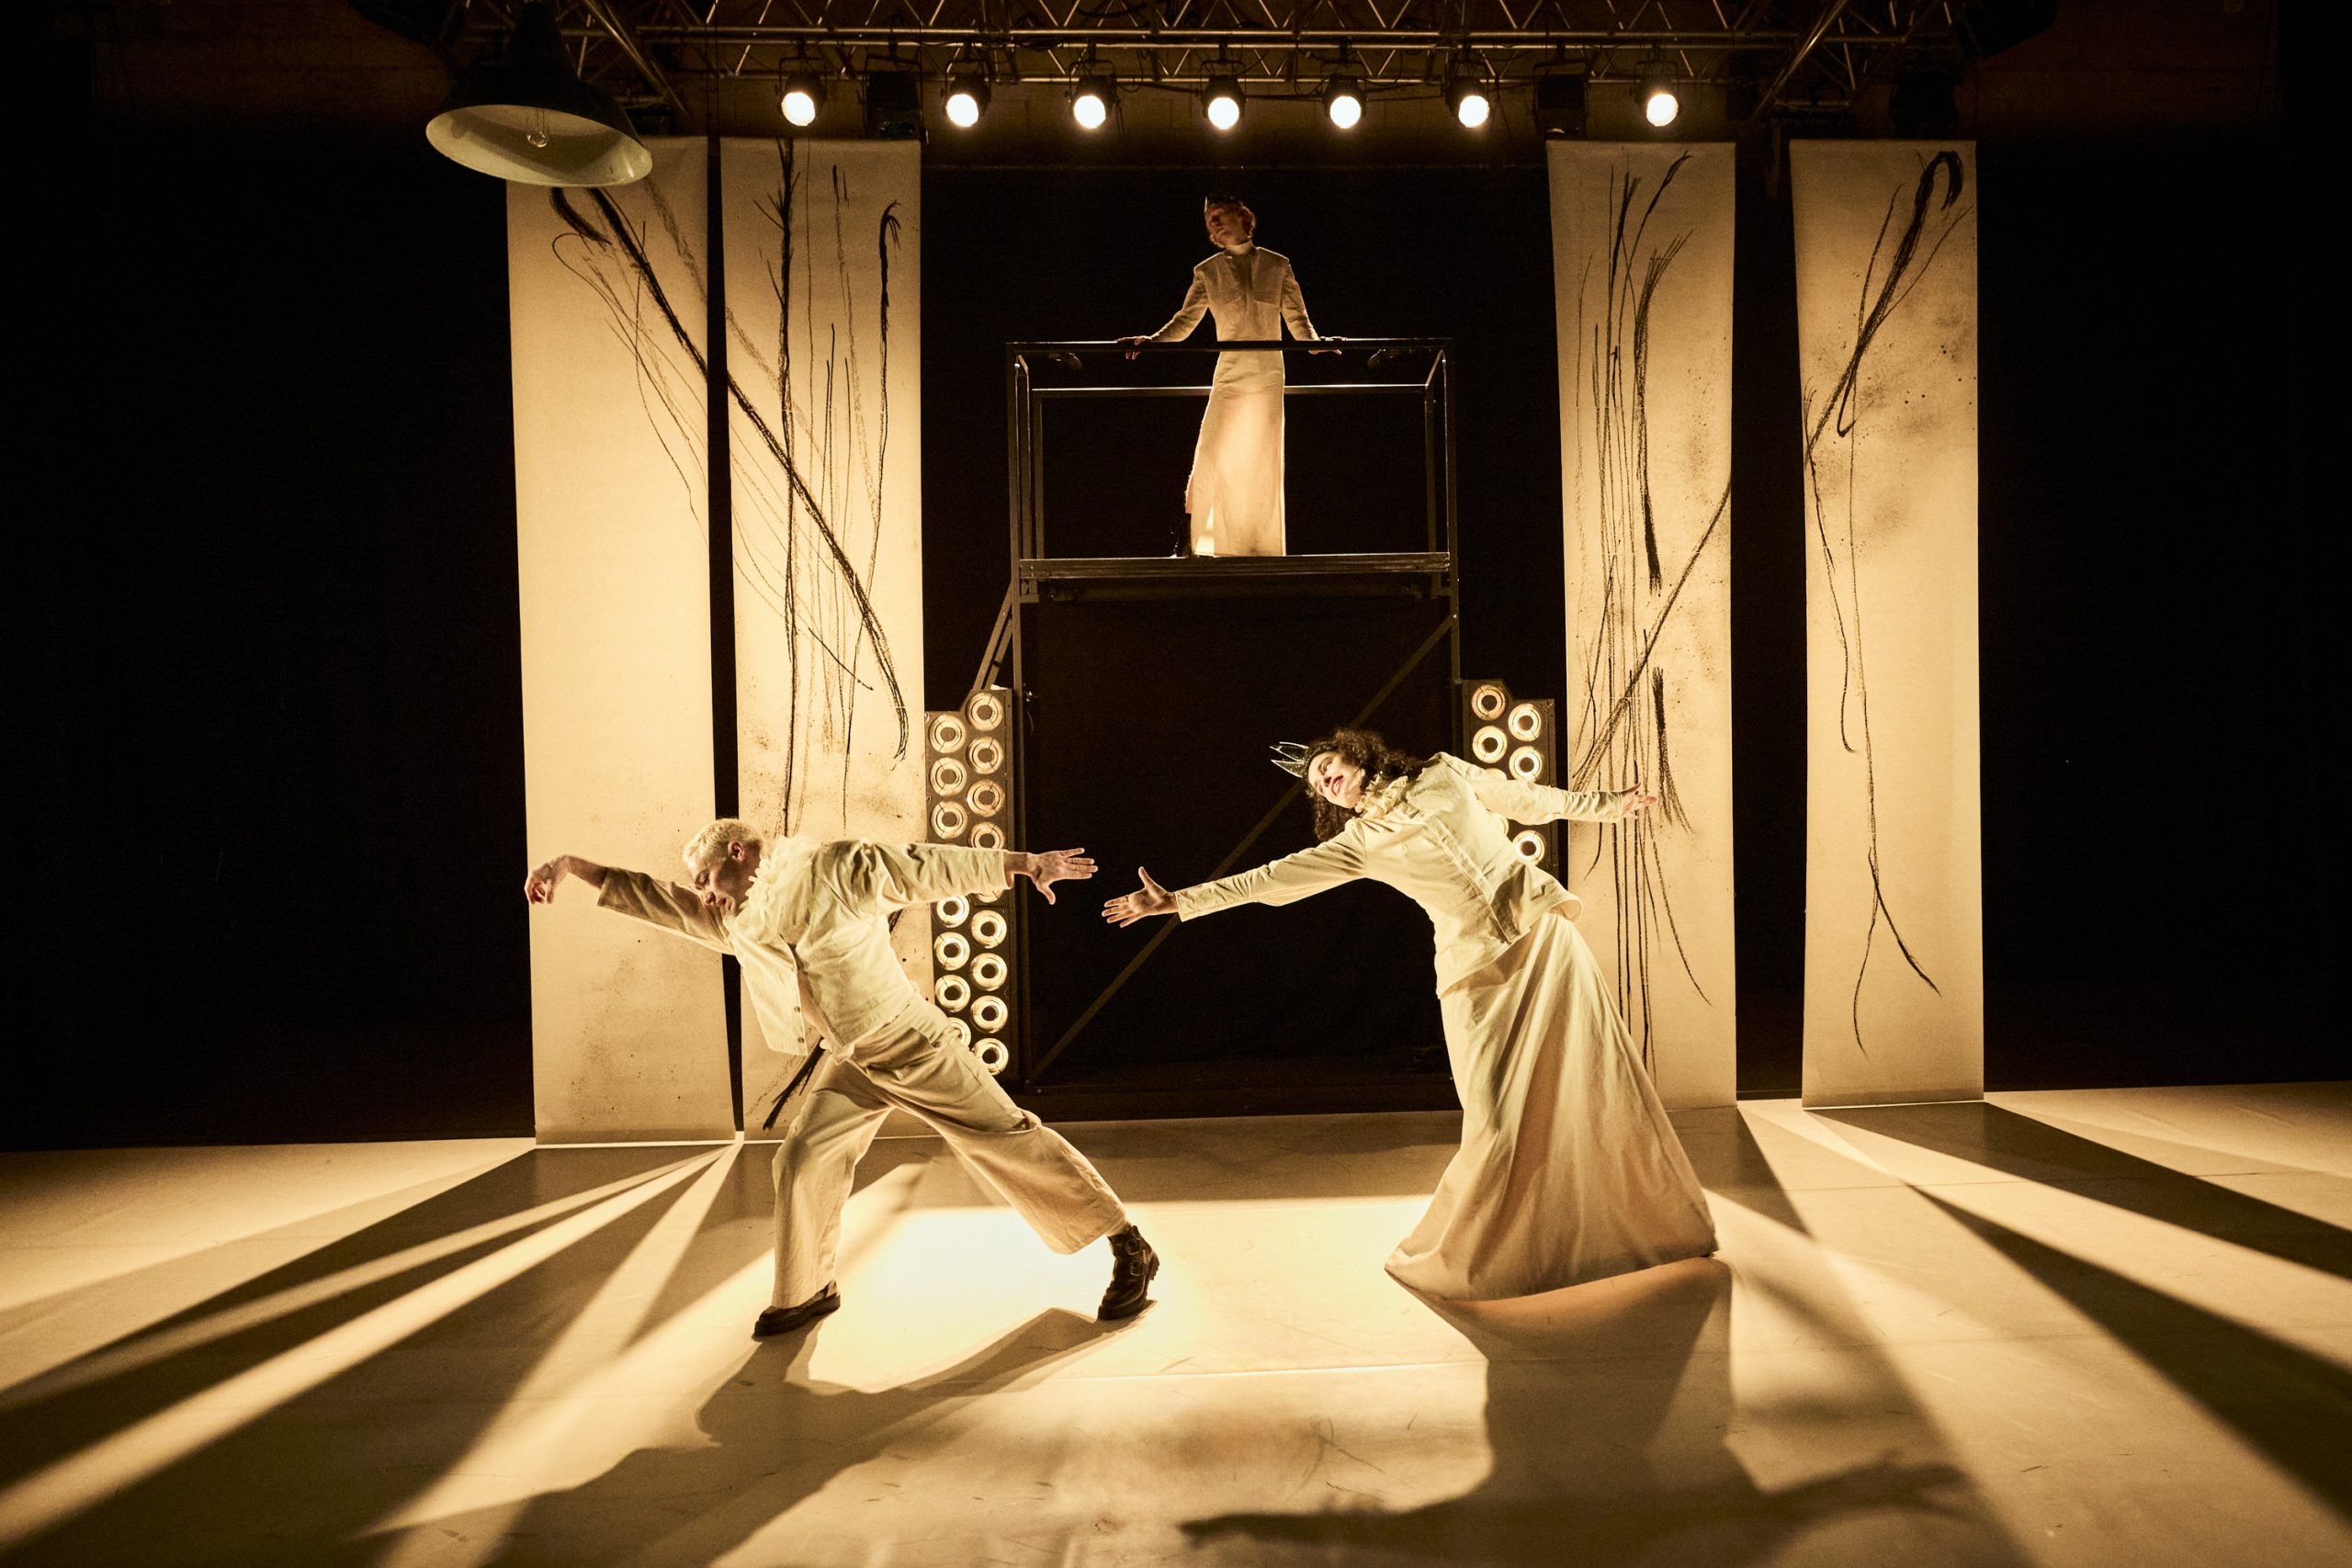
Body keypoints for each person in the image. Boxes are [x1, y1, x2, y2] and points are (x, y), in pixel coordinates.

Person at [1102, 730, 1715, 1301]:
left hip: (1539, 939)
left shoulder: (1445, 774)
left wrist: (1611, 804)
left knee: (1595, 1081)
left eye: (1326, 766)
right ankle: (1484, 1253)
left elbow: (1529, 797)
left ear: (1355, 753)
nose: (1324, 781)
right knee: (1495, 1120)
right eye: (1316, 783)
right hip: (1475, 970)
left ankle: (1655, 1223)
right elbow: (1272, 879)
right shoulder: (1360, 845)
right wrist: (1181, 901)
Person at [527, 822, 1159, 1335]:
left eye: (707, 876)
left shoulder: (831, 868)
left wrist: (1021, 863)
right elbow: (658, 900)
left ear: (740, 852)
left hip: (913, 1042)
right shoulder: (737, 920)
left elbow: (920, 865)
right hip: (853, 1060)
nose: (704, 892)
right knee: (802, 1156)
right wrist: (573, 865)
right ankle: (807, 1289)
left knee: (1007, 1139)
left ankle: (1128, 1243)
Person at [1119, 196, 1336, 558]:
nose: (1214, 225)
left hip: (1267, 374)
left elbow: (1298, 321)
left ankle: (1257, 546)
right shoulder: (1207, 271)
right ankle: (1194, 537)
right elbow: (1186, 320)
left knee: (1260, 457)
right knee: (1211, 450)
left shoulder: (1277, 265)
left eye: (1219, 217)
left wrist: (1317, 344)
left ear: (1243, 217)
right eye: (1209, 222)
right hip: (1231, 373)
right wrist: (1152, 341)